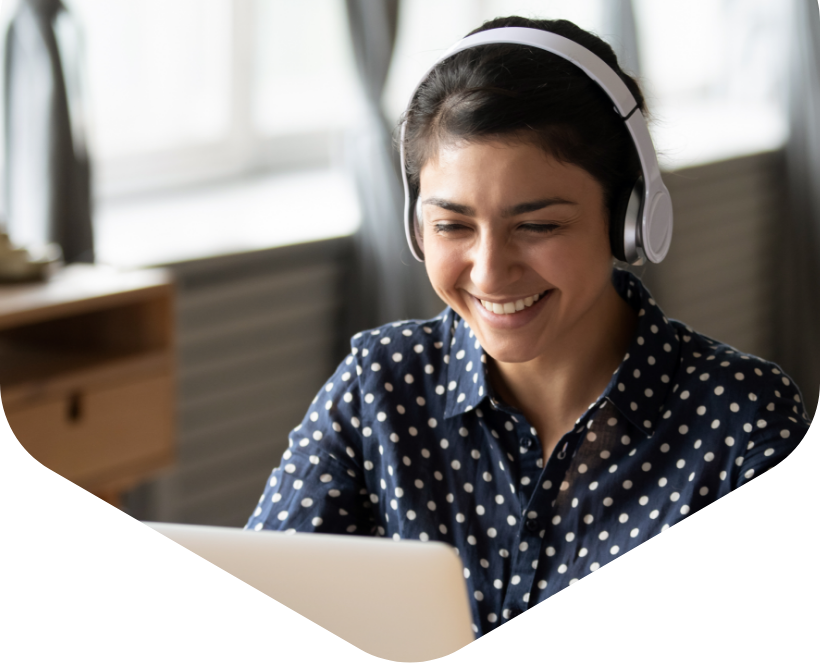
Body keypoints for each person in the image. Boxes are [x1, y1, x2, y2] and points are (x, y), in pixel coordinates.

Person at [245, 16, 811, 637]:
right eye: (452, 226)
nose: (490, 272)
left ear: (630, 220)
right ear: (415, 228)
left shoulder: (737, 420)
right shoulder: (378, 388)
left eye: (538, 226)